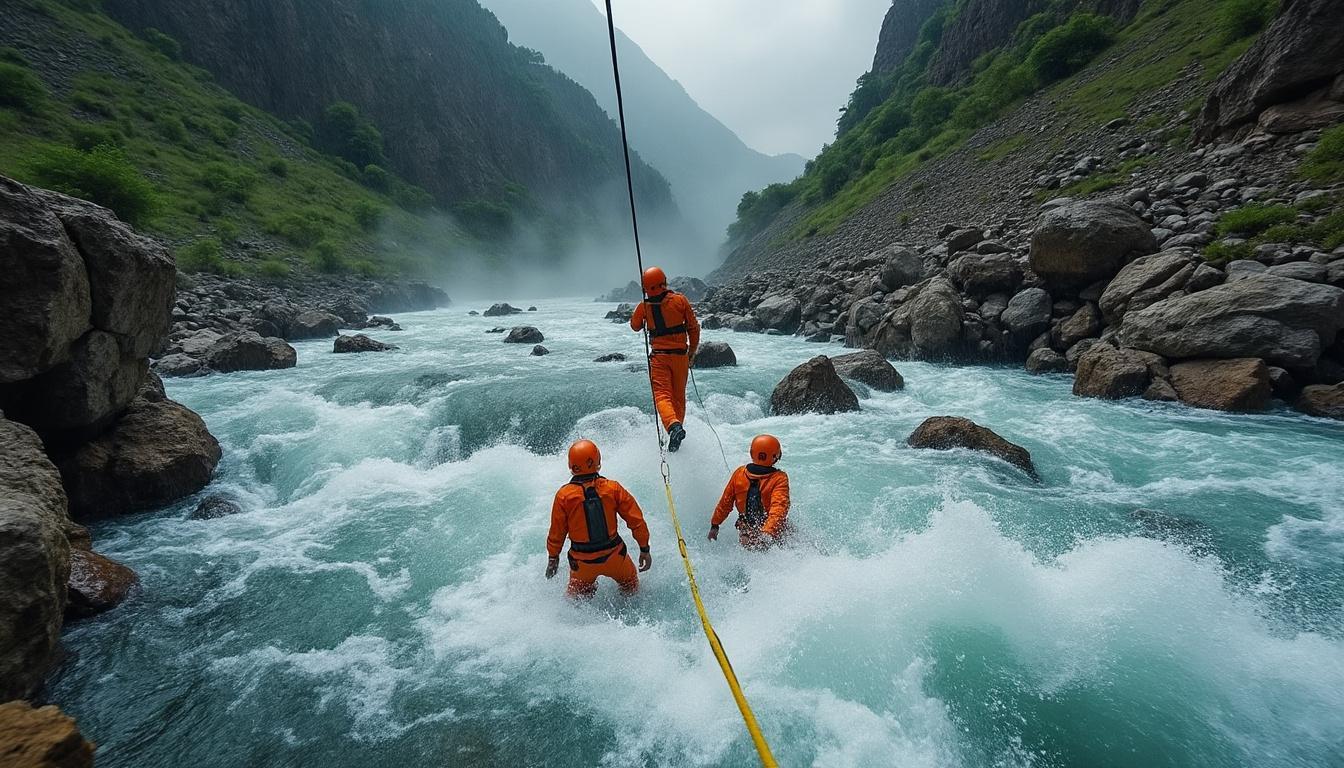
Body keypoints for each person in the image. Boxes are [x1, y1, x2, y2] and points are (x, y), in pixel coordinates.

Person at [546, 439, 652, 598]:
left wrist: (553, 558)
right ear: (597, 462)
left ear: (571, 466)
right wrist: (644, 549)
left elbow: (557, 532)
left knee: (577, 602)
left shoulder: (564, 496)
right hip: (616, 557)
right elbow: (636, 520)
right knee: (631, 588)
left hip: (582, 564)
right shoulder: (613, 488)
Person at [630, 266, 700, 452]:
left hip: (659, 359)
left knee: (662, 396)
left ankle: (673, 427)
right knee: (678, 398)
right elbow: (693, 328)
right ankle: (676, 432)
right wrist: (692, 351)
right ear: (664, 282)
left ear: (646, 288)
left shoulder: (644, 307)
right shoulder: (680, 301)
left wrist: (643, 309)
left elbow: (635, 326)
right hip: (680, 357)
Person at [708, 435, 791, 550]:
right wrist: (767, 533)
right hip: (769, 531)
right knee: (791, 534)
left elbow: (725, 502)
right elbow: (779, 508)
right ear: (775, 456)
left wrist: (715, 525)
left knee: (750, 552)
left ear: (752, 453)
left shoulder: (739, 473)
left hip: (746, 530)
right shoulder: (779, 478)